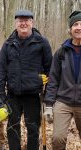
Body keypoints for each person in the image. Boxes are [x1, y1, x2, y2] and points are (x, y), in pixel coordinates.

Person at [0, 10, 52, 150]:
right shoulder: (8, 44)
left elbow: (50, 69)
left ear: (32, 23)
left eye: (26, 20)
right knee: (13, 129)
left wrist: (48, 90)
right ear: (15, 23)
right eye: (20, 20)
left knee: (33, 130)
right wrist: (1, 96)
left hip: (33, 95)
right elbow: (1, 72)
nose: (23, 23)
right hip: (13, 95)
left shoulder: (42, 42)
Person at [44, 10, 81, 150]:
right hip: (63, 101)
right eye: (76, 24)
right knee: (57, 139)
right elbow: (53, 79)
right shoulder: (61, 52)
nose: (79, 27)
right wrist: (49, 105)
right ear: (70, 29)